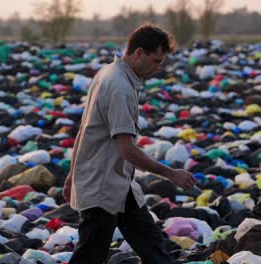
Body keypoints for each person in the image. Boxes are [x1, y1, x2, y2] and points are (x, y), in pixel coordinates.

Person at [63, 24, 196, 264]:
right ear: (138, 53)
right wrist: (170, 174)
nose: (157, 68)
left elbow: (85, 129)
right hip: (101, 186)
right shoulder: (120, 87)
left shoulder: (109, 73)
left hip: (120, 184)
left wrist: (73, 174)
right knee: (91, 255)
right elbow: (127, 149)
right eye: (155, 61)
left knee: (153, 247)